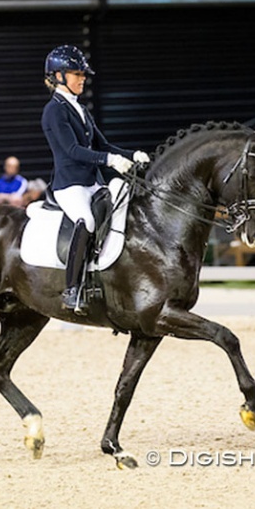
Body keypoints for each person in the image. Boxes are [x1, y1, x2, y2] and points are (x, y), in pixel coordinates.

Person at [41, 44, 150, 313]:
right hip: (70, 184)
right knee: (87, 220)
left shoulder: (80, 109)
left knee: (123, 207)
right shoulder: (54, 111)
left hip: (92, 182)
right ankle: (72, 289)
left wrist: (132, 154)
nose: (82, 79)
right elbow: (72, 151)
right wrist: (109, 161)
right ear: (58, 76)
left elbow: (103, 145)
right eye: (76, 74)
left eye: (82, 74)